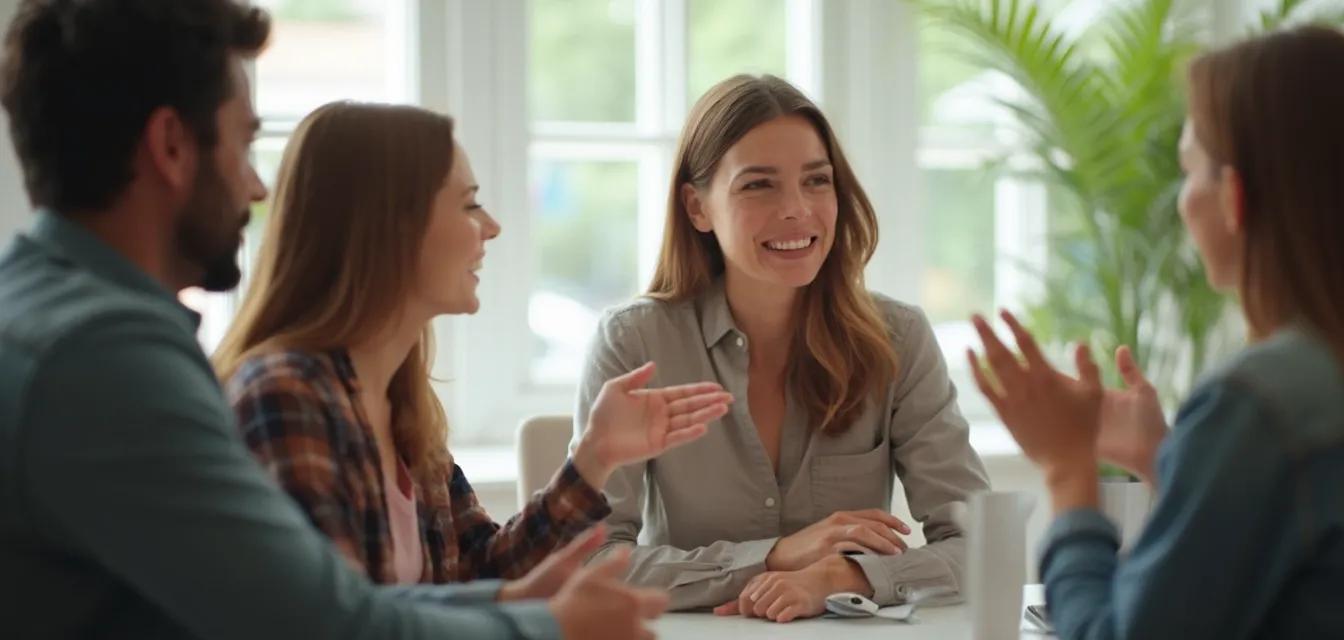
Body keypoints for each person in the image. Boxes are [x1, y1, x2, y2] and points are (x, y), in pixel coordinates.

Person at [0, 2, 662, 638]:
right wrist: (544, 628)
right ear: (171, 146)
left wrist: (514, 590)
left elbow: (347, 603)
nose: (257, 189)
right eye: (243, 142)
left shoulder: (46, 317)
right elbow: (321, 625)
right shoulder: (105, 359)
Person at [968, 27, 1344, 638]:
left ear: (1233, 196)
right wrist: (1166, 458)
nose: (1181, 201)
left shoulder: (1263, 399)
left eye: (1189, 169)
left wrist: (1067, 469)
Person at [212, 100, 732, 589]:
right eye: (469, 205)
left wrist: (596, 457)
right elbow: (345, 621)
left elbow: (487, 570)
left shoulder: (399, 403)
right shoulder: (286, 396)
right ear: (389, 230)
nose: (492, 227)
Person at [572, 74, 991, 623]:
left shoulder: (899, 339)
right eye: (758, 185)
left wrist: (850, 576)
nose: (797, 210)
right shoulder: (635, 343)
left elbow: (980, 545)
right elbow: (589, 563)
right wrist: (770, 557)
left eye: (817, 181)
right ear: (697, 208)